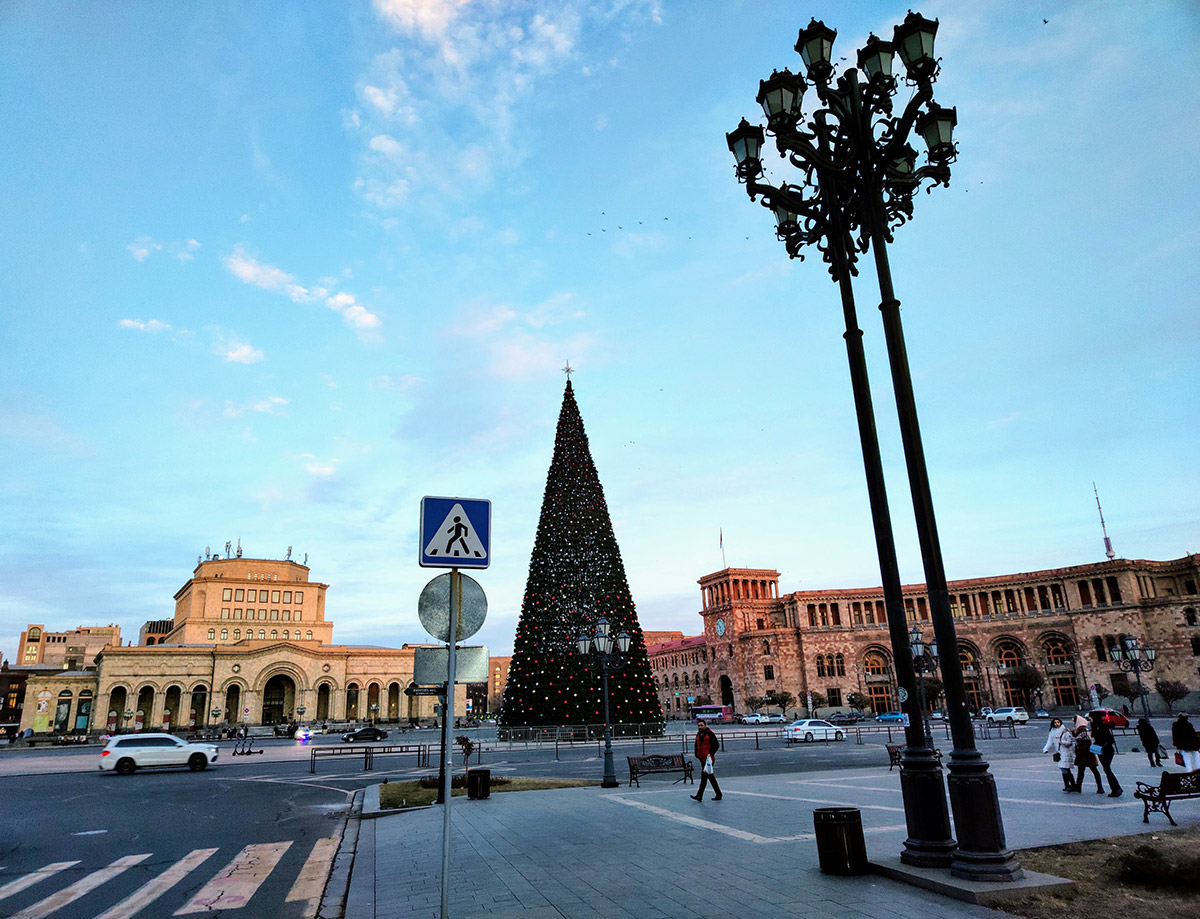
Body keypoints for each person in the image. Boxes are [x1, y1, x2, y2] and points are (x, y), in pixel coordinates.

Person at [1090, 712, 1122, 797]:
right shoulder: (1095, 727)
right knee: (1106, 769)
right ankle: (1116, 788)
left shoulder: (1103, 727)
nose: (1090, 719)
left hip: (1107, 750)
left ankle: (1116, 789)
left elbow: (1109, 739)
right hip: (1101, 751)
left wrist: (1101, 745)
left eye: (1091, 718)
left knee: (1107, 769)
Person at [690, 720, 722, 801]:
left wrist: (711, 753)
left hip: (709, 759)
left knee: (704, 778)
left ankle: (699, 795)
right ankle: (718, 794)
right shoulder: (698, 734)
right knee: (710, 777)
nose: (700, 727)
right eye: (699, 725)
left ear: (705, 725)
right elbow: (696, 744)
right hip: (702, 758)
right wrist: (696, 754)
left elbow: (716, 745)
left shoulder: (710, 734)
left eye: (701, 725)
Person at [1042, 717, 1077, 791]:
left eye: (1058, 722)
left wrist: (1062, 742)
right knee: (1066, 768)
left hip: (1066, 751)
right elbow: (1049, 741)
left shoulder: (1065, 731)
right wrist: (1045, 749)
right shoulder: (1052, 731)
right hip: (1059, 751)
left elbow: (1070, 742)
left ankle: (1070, 785)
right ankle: (1070, 785)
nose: (1057, 724)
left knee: (1064, 767)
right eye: (1055, 722)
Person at [1073, 720, 1105, 794]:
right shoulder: (1083, 731)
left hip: (1085, 754)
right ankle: (1099, 787)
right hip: (1086, 754)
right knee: (1090, 770)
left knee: (1085, 771)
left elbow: (1078, 739)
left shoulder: (1083, 731)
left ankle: (1079, 787)